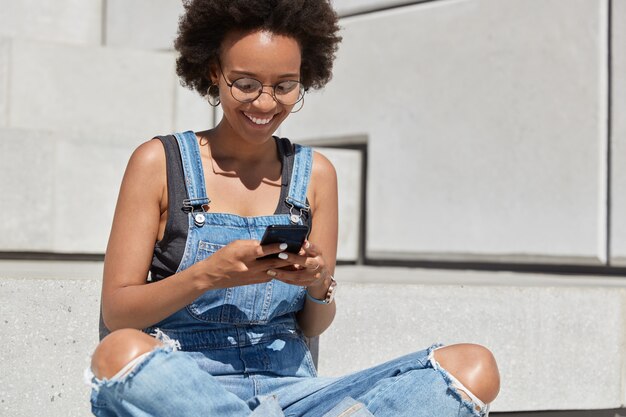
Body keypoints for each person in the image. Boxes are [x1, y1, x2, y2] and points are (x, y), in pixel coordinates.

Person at [85, 1, 500, 416]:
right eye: (245, 84)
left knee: (471, 368)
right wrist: (207, 275)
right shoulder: (158, 163)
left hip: (294, 393)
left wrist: (318, 283)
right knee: (120, 355)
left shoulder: (315, 175)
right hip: (189, 389)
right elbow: (119, 313)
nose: (265, 104)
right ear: (214, 71)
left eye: (285, 86)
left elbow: (312, 326)